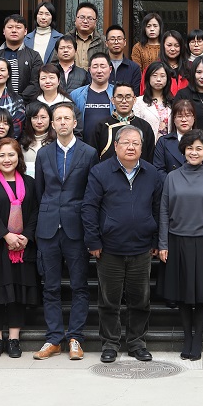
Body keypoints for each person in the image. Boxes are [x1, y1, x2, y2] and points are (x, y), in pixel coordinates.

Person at [82, 125, 164, 363]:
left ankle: (137, 343)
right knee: (109, 301)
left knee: (141, 300)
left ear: (142, 147)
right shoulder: (100, 172)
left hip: (141, 248)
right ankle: (110, 344)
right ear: (116, 146)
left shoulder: (151, 173)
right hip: (109, 248)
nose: (131, 147)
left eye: (136, 143)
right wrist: (93, 240)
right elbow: (89, 208)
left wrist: (156, 239)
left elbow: (158, 208)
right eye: (126, 142)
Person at [32, 103, 98, 361]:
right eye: (57, 118)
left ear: (74, 123)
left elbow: (92, 193)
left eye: (66, 118)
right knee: (50, 287)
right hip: (48, 228)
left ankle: (75, 338)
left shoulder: (89, 153)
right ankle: (53, 339)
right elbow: (40, 192)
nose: (62, 122)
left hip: (76, 228)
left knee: (79, 285)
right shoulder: (43, 153)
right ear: (52, 124)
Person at [158, 129, 203, 360]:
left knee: (202, 295)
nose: (194, 152)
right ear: (183, 151)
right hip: (176, 240)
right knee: (182, 294)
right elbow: (164, 212)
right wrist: (163, 244)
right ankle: (187, 337)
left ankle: (198, 340)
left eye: (199, 148)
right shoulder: (172, 177)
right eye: (189, 148)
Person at [0, 138, 40, 359]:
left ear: (18, 157)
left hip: (22, 247)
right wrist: (6, 235)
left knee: (17, 293)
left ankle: (13, 339)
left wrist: (26, 236)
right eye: (1, 155)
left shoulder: (30, 183)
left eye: (11, 154)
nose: (6, 159)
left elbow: (35, 211)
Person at [92, 82, 156, 163]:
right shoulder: (101, 126)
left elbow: (150, 158)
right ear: (112, 100)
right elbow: (94, 158)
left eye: (128, 97)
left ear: (134, 99)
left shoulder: (145, 127)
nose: (124, 101)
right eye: (119, 97)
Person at [154, 99, 203, 174]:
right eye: (179, 116)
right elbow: (159, 169)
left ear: (194, 117)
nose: (184, 120)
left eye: (188, 115)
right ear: (173, 119)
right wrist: (171, 181)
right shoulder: (163, 142)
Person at [0, 13, 42, 103]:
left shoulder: (34, 56)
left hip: (26, 104)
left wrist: (18, 99)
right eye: (10, 27)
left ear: (25, 31)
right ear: (4, 31)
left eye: (18, 27)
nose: (14, 30)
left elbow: (36, 83)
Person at [70, 52, 115, 142]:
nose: (99, 70)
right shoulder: (76, 95)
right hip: (83, 145)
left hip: (111, 145)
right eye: (95, 67)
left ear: (110, 69)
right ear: (89, 70)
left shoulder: (117, 93)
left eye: (103, 66)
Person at [133, 61, 174, 141]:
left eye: (162, 76)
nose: (158, 79)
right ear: (148, 78)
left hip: (169, 146)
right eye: (154, 76)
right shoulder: (138, 102)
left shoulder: (173, 102)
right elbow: (135, 127)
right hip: (147, 145)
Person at [104, 24, 143, 93]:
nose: (116, 42)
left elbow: (135, 94)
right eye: (112, 39)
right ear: (106, 43)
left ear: (124, 42)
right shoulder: (98, 67)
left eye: (119, 39)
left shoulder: (134, 68)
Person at [20, 102, 52, 177]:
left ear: (50, 119)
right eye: (35, 117)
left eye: (43, 117)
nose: (39, 122)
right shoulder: (23, 144)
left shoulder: (55, 142)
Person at [72, 2, 107, 70]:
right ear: (75, 19)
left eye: (90, 18)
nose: (85, 21)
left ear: (95, 22)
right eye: (82, 17)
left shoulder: (103, 41)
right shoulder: (66, 40)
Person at [160, 30, 191, 95]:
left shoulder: (190, 66)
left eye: (176, 46)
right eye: (169, 45)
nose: (173, 49)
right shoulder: (155, 68)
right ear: (163, 46)